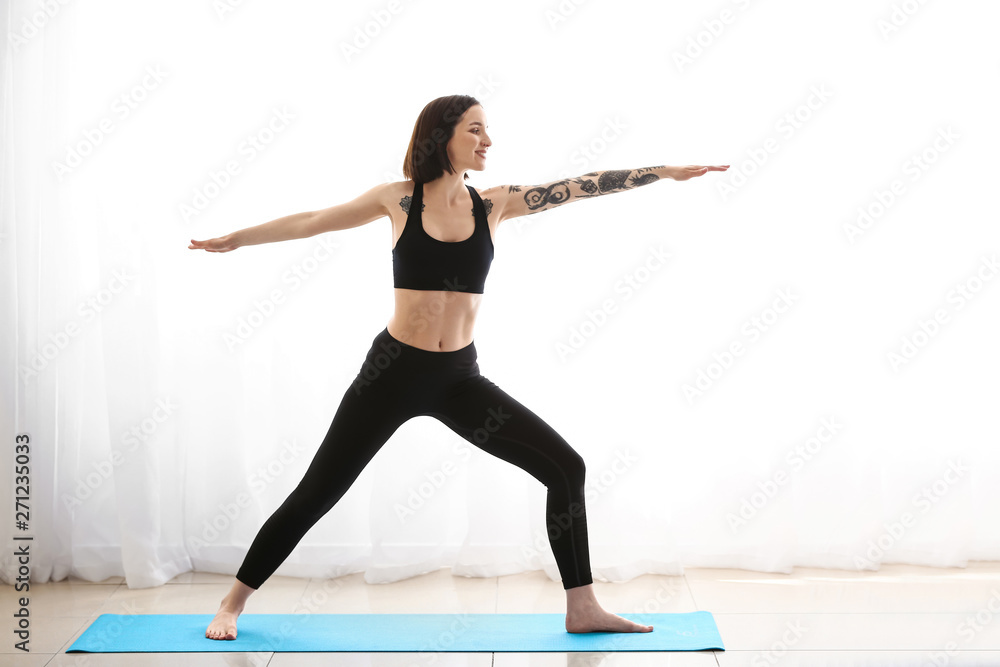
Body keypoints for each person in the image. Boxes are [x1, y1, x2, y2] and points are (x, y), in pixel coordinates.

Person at [189, 94, 728, 640]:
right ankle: (233, 604)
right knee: (318, 492)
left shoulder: (494, 204)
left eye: (486, 130)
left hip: (458, 380)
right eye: (475, 130)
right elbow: (312, 222)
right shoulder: (397, 201)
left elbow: (581, 185)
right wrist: (238, 238)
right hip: (391, 374)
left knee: (566, 467)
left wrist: (660, 173)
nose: (487, 141)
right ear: (442, 135)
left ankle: (582, 606)